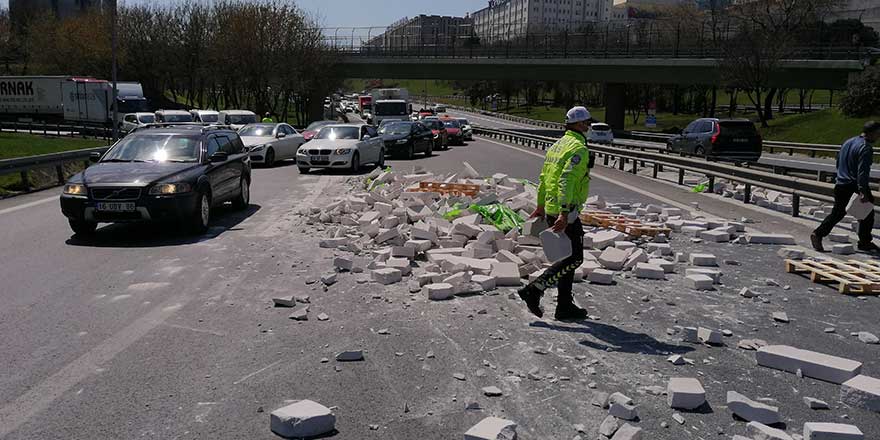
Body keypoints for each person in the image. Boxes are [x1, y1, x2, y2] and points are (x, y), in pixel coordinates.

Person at [517, 106, 595, 320]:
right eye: (587, 122)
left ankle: (564, 306)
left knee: (565, 257)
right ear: (578, 124)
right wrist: (564, 212)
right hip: (565, 209)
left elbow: (544, 178)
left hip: (553, 207)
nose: (589, 126)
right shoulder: (578, 148)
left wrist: (542, 205)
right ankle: (534, 290)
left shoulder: (557, 145)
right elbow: (566, 180)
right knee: (575, 258)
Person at [811, 121, 880, 253]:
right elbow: (862, 171)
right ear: (872, 133)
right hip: (853, 185)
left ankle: (818, 234)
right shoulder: (865, 148)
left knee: (838, 213)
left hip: (841, 183)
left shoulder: (848, 142)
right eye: (878, 134)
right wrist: (863, 191)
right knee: (867, 213)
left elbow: (838, 161)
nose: (878, 137)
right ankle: (864, 242)